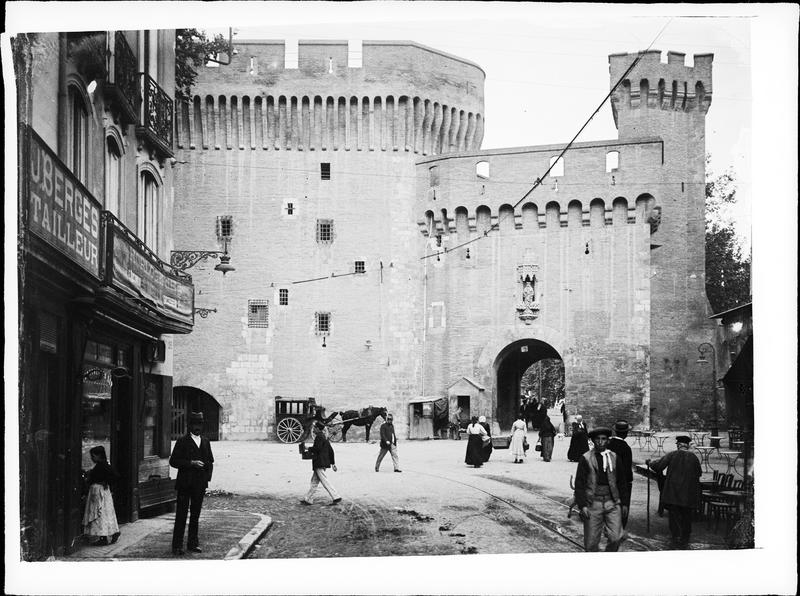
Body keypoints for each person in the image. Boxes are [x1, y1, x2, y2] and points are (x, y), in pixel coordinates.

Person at [573, 427, 627, 552]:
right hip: (593, 503)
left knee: (616, 537)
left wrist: (624, 503)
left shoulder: (614, 457)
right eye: (597, 439)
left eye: (603, 439)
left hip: (612, 502)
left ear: (608, 441)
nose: (600, 442)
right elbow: (579, 484)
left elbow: (622, 482)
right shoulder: (586, 458)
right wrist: (582, 506)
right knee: (591, 543)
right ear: (593, 441)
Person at [170, 411, 214, 556]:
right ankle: (177, 546)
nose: (197, 427)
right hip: (184, 484)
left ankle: (192, 543)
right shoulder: (182, 441)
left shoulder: (206, 442)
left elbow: (210, 462)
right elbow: (173, 461)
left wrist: (206, 478)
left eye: (199, 424)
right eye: (195, 424)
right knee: (181, 515)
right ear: (189, 425)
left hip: (199, 485)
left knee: (195, 515)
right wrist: (191, 463)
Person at [648, 436, 702, 548]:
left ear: (678, 445)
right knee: (686, 516)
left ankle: (676, 537)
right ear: (687, 445)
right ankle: (685, 538)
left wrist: (650, 463)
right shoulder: (694, 458)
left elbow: (658, 466)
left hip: (673, 493)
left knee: (674, 516)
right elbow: (699, 473)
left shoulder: (672, 455)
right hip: (687, 494)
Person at [82, 445, 120, 546]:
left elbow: (114, 476)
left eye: (93, 456)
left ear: (98, 456)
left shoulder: (100, 466)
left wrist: (104, 481)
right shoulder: (104, 465)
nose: (92, 459)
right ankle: (113, 532)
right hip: (104, 492)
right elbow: (115, 475)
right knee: (106, 514)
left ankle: (103, 537)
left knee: (100, 515)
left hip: (99, 493)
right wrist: (107, 482)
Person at [302, 421, 342, 504]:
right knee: (314, 481)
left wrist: (308, 448)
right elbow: (331, 450)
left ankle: (336, 496)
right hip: (322, 462)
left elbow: (317, 448)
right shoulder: (323, 437)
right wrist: (333, 463)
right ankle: (308, 499)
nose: (313, 429)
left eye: (315, 428)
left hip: (319, 462)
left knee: (324, 480)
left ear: (318, 428)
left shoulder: (319, 437)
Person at [608, 420, 634, 528]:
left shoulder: (608, 444)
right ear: (626, 433)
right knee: (623, 505)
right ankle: (620, 528)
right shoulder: (626, 448)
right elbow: (626, 469)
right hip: (622, 483)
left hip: (608, 480)